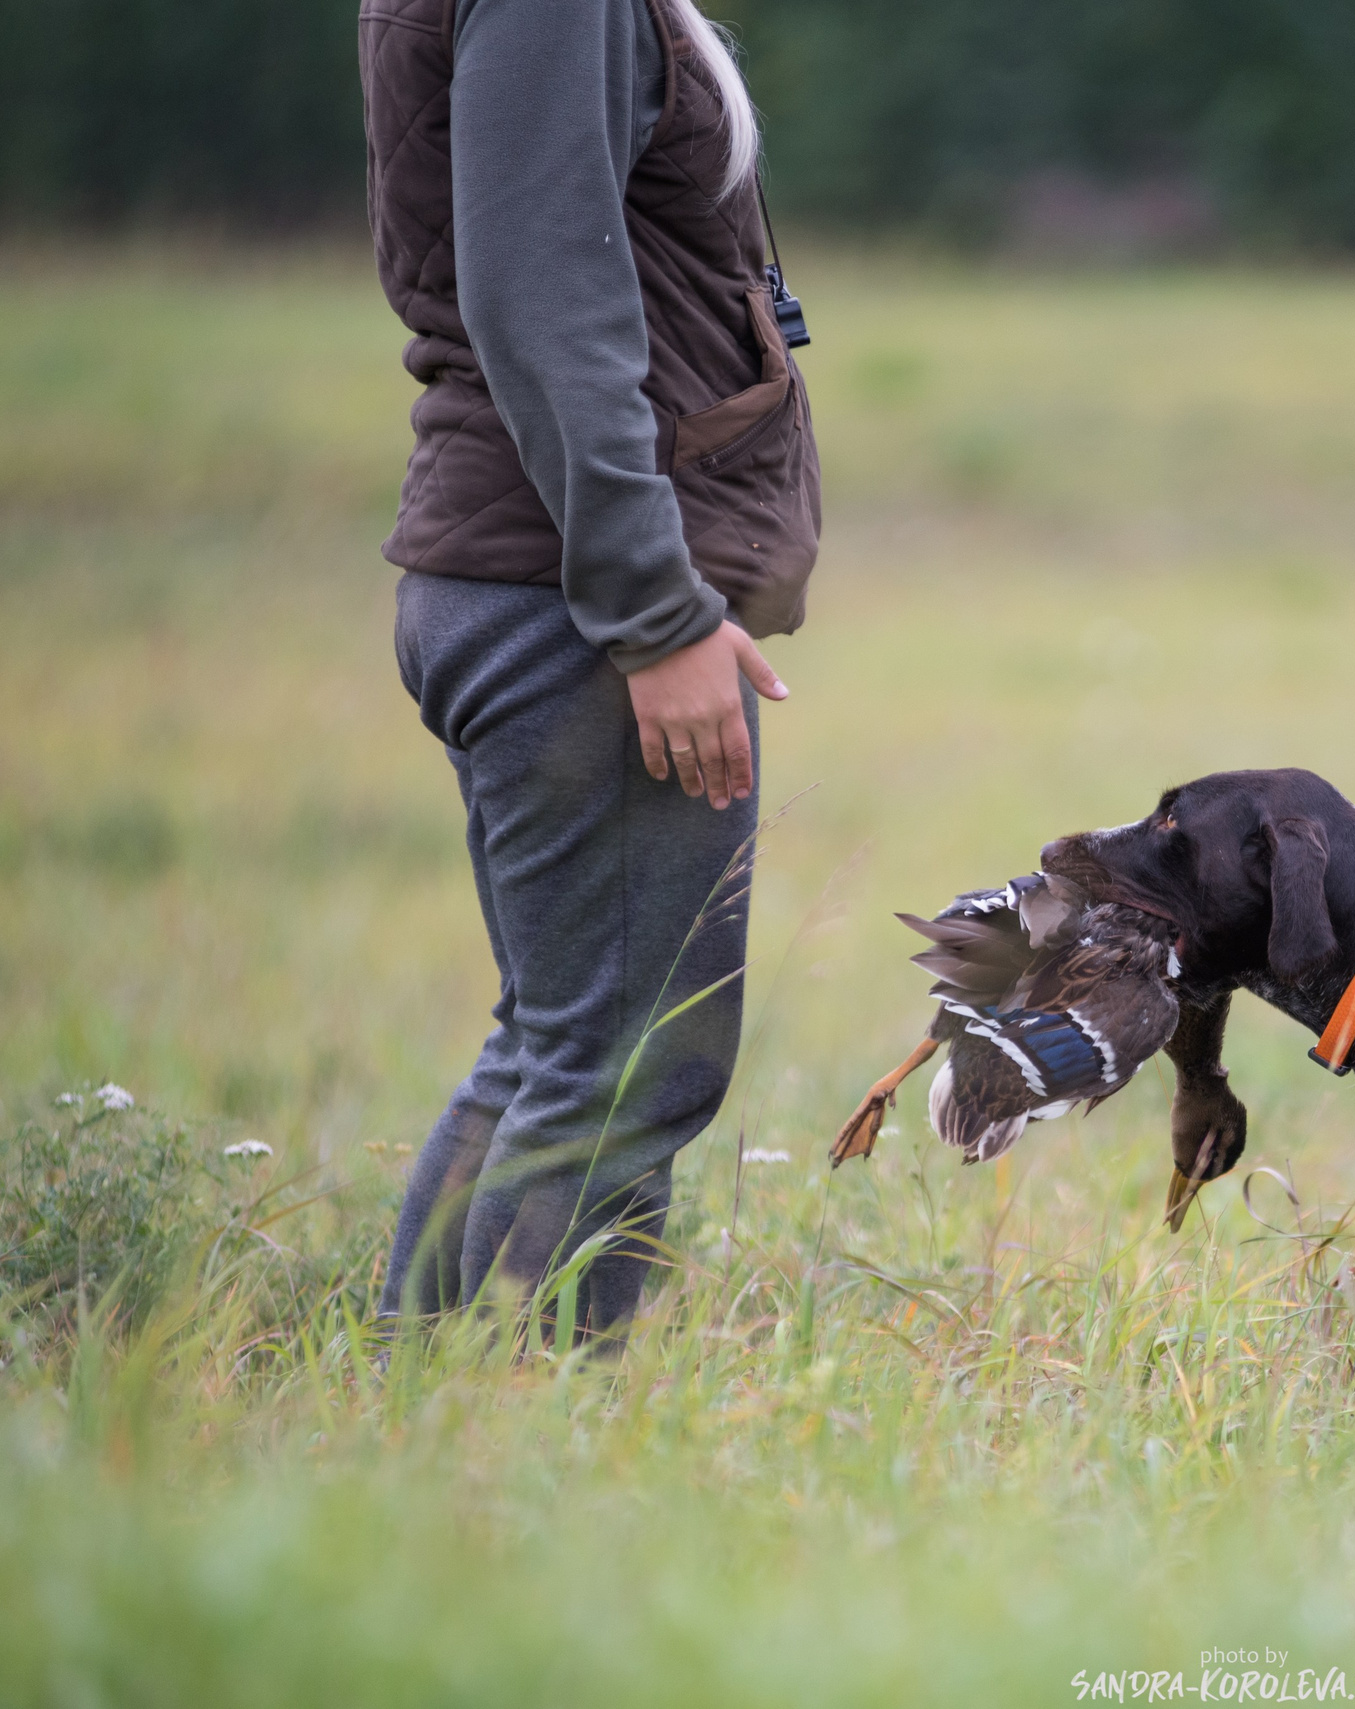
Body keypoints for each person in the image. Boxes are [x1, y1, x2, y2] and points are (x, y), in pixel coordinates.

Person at [359, 0, 820, 1337]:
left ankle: (420, 1408)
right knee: (624, 1067)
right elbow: (542, 292)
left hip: (533, 583)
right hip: (571, 602)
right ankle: (525, 1439)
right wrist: (654, 613)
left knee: (563, 1048)